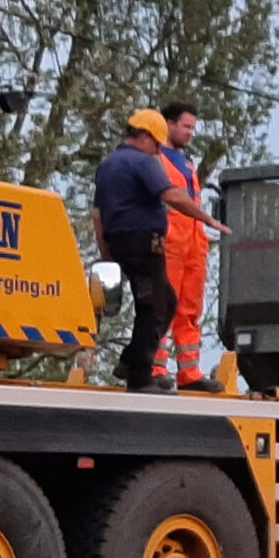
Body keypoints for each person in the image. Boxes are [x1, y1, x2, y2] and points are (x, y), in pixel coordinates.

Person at [93, 107, 218, 392]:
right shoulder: (142, 161)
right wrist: (206, 217)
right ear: (146, 136)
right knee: (155, 306)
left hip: (123, 243)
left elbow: (98, 214)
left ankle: (132, 361)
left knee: (163, 303)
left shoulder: (109, 164)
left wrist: (106, 252)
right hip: (144, 243)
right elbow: (171, 195)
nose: (157, 150)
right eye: (156, 143)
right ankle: (139, 375)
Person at [152, 99, 221, 390]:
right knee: (160, 307)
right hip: (170, 242)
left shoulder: (187, 162)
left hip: (194, 244)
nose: (191, 133)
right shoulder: (155, 158)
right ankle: (154, 369)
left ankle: (189, 373)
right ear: (168, 124)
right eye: (186, 126)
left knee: (190, 310)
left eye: (194, 128)